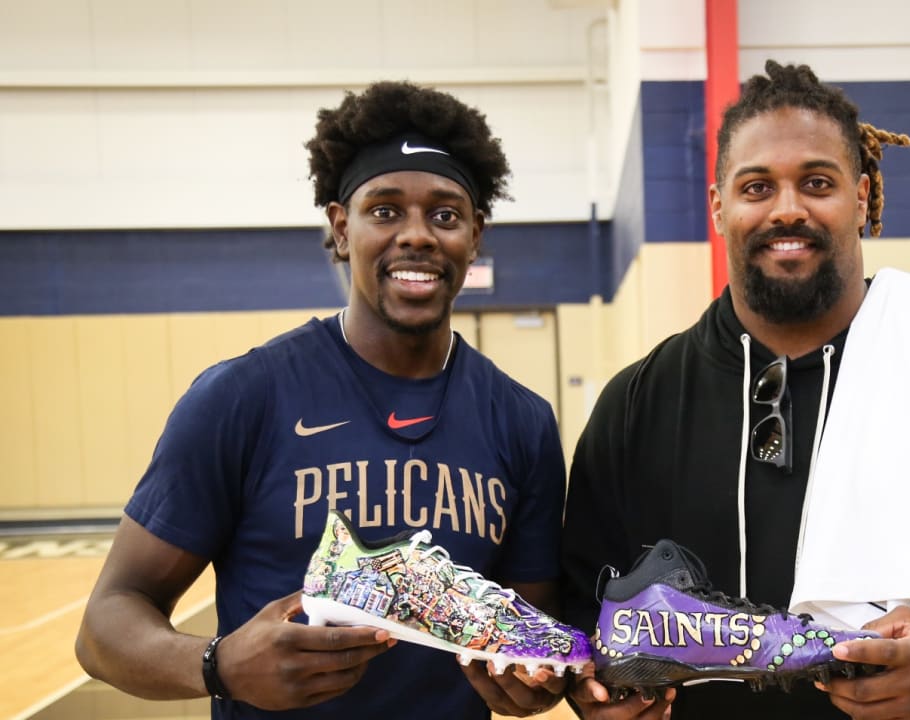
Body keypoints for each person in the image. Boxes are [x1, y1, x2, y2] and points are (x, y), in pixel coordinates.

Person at [561, 60, 910, 719]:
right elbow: (585, 615)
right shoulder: (636, 405)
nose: (787, 209)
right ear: (719, 207)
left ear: (862, 198)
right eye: (756, 187)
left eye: (816, 182)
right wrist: (595, 692)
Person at [76, 81, 569, 719]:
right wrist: (218, 664)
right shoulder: (242, 398)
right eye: (385, 211)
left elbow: (537, 643)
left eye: (445, 215)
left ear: (474, 237)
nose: (416, 235)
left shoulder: (523, 422)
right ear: (341, 228)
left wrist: (536, 684)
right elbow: (105, 624)